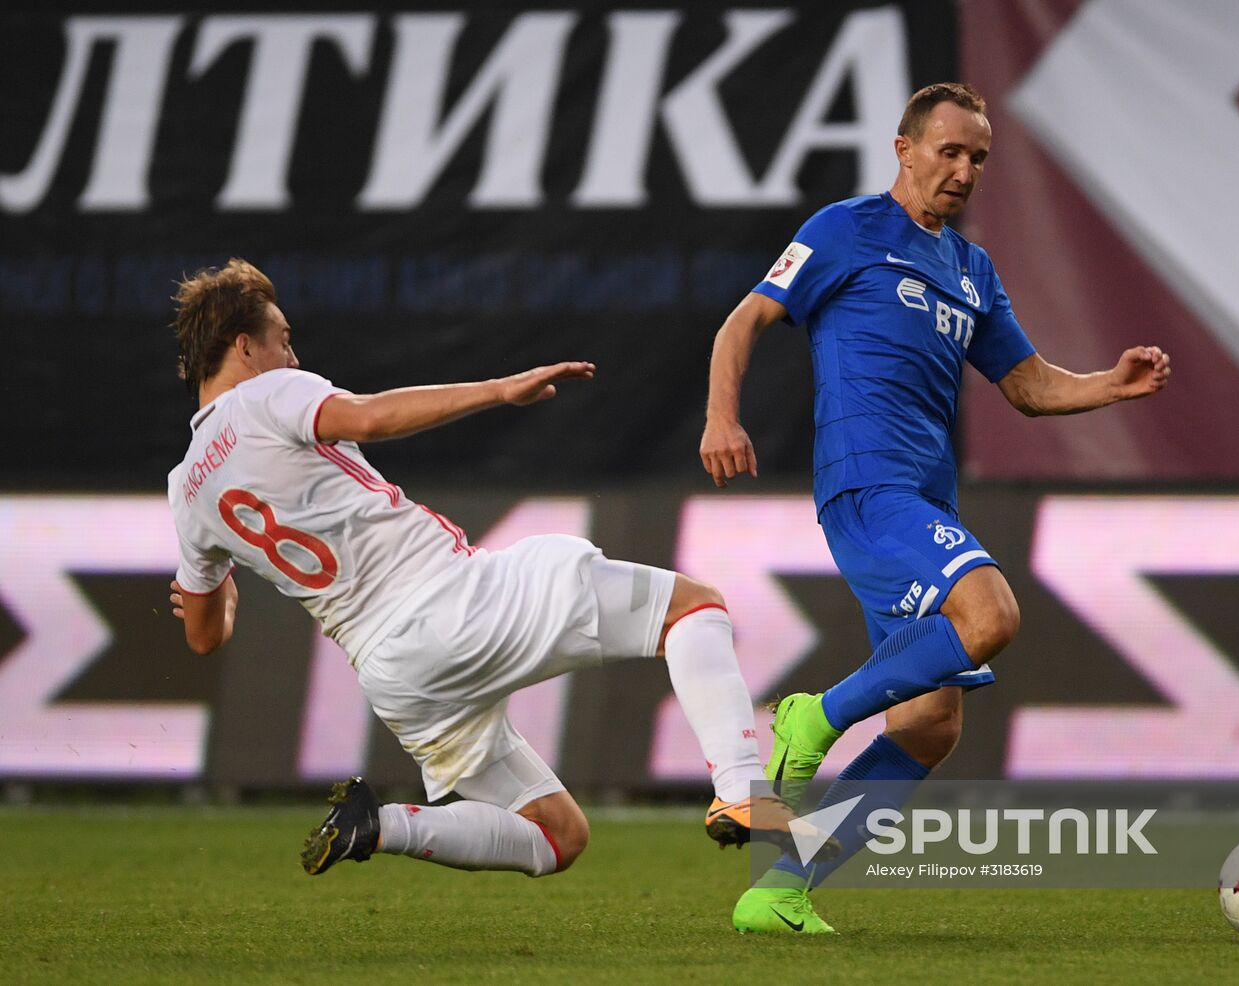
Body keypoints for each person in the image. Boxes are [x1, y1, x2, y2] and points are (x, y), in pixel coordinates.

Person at [166, 259, 835, 884]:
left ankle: (379, 825)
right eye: (282, 340)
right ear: (243, 346)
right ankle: (743, 790)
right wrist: (497, 389)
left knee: (557, 836)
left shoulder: (186, 491)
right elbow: (368, 415)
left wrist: (219, 589)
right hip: (456, 603)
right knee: (694, 608)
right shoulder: (269, 394)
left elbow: (202, 636)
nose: (294, 356)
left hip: (395, 676)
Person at [701, 82, 1171, 933]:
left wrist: (1111, 383)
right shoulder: (845, 230)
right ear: (904, 149)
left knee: (929, 726)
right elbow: (745, 321)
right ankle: (815, 716)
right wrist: (721, 416)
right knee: (990, 612)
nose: (963, 171)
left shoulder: (970, 268)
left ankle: (779, 891)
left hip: (924, 494)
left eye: (978, 158)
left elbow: (1027, 385)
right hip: (866, 482)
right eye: (949, 151)